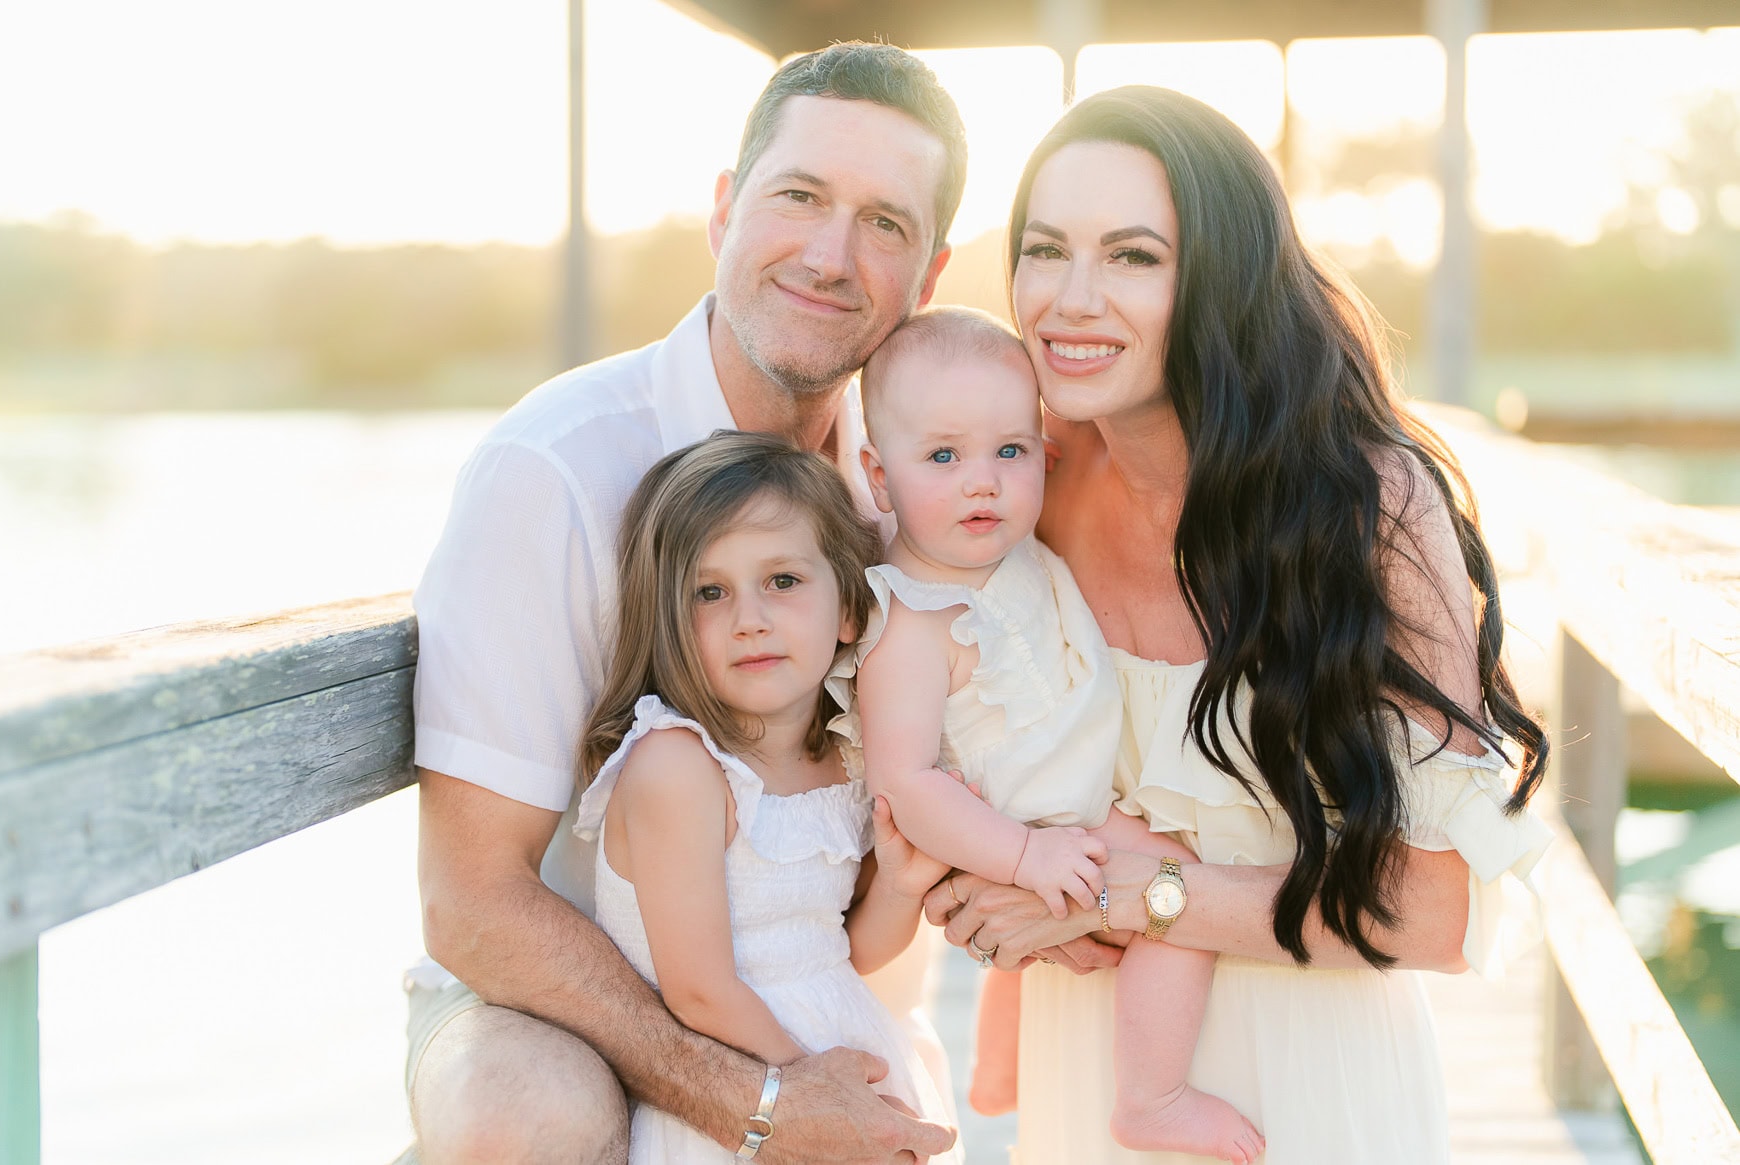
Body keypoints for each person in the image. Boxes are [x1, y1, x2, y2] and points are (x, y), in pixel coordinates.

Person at [925, 86, 1554, 1164]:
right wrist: (984, 881)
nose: (1071, 299)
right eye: (1044, 250)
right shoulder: (1024, 486)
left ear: (1221, 276)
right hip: (1084, 1082)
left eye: (1132, 256)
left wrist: (1125, 895)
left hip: (1308, 1098)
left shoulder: (1368, 504)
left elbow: (1433, 913)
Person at [407, 42, 965, 1165]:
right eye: (798, 196)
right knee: (525, 1111)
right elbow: (472, 901)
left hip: (826, 989)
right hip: (552, 996)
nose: (830, 256)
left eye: (883, 224)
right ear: (723, 210)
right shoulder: (554, 471)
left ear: (929, 277)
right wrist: (759, 1102)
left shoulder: (910, 499)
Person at [829, 306, 1262, 1162]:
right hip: (1037, 821)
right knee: (1181, 892)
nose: (982, 483)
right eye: (943, 457)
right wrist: (1026, 855)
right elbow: (905, 783)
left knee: (1088, 936)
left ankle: (1000, 1070)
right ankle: (1153, 1096)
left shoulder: (1007, 550)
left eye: (1010, 451)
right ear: (878, 476)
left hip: (1072, 793)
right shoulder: (910, 624)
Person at [570, 431, 961, 1165]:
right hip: (747, 1096)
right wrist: (822, 1101)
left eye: (782, 580)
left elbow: (845, 953)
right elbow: (700, 991)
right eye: (709, 592)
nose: (749, 618)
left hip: (839, 1047)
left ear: (848, 611)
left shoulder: (846, 759)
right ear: (669, 622)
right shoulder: (678, 768)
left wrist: (901, 886)